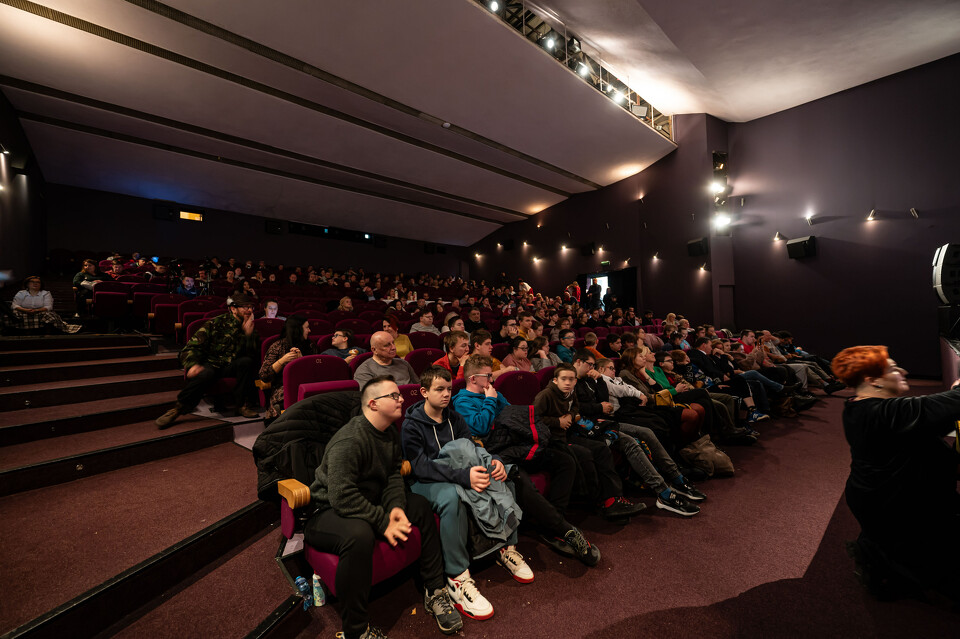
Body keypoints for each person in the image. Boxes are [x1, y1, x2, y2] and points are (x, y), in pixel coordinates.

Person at [305, 376, 463, 639]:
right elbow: (342, 496)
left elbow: (392, 475)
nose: (402, 398)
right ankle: (357, 630)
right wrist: (383, 520)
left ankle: (435, 591)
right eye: (393, 396)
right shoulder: (350, 441)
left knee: (420, 506)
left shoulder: (389, 431)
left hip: (369, 499)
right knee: (359, 534)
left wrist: (396, 508)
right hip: (327, 510)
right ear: (373, 404)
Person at [402, 367, 533, 621]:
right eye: (439, 389)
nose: (446, 394)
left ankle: (507, 548)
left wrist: (493, 460)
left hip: (457, 472)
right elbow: (421, 467)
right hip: (424, 482)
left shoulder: (454, 418)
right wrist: (465, 477)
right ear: (424, 392)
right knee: (453, 497)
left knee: (501, 478)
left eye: (449, 389)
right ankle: (457, 578)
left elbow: (471, 446)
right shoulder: (411, 425)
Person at [832, 346, 960, 605]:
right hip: (896, 505)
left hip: (883, 496)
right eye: (893, 368)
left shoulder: (862, 407)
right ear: (872, 380)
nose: (903, 371)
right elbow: (937, 407)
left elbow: (926, 419)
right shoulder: (881, 413)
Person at [451, 355, 601, 566]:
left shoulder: (494, 393)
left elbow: (515, 417)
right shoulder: (462, 401)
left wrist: (494, 399)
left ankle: (553, 524)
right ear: (473, 378)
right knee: (522, 481)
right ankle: (565, 530)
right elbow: (480, 428)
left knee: (564, 461)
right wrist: (491, 400)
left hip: (516, 447)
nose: (492, 379)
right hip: (495, 454)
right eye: (487, 376)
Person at [572, 351, 703, 516]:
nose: (592, 368)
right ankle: (663, 492)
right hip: (591, 426)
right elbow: (578, 407)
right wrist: (599, 407)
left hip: (604, 422)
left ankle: (676, 477)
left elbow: (603, 397)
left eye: (593, 365)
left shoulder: (588, 380)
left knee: (647, 431)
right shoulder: (570, 381)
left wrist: (599, 380)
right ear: (578, 362)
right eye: (589, 365)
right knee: (630, 442)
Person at [534, 364, 646, 522]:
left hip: (567, 435)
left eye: (571, 379)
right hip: (552, 440)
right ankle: (599, 502)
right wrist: (557, 421)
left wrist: (571, 417)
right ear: (555, 380)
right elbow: (534, 420)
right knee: (585, 455)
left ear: (575, 381)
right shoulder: (545, 396)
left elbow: (576, 408)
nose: (567, 382)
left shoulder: (571, 392)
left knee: (601, 449)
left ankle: (613, 500)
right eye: (563, 379)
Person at [156, 293, 261, 428]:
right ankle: (178, 409)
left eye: (250, 307)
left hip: (229, 365)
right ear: (233, 309)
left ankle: (241, 405)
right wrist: (192, 365)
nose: (249, 310)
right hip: (211, 363)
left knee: (246, 362)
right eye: (245, 307)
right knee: (207, 374)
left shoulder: (250, 327)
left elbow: (253, 355)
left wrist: (248, 336)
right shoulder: (217, 322)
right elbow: (190, 348)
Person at [259, 315, 318, 420]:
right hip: (283, 388)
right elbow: (264, 376)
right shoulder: (278, 346)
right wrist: (283, 360)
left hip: (307, 385)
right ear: (298, 329)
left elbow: (316, 373)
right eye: (307, 327)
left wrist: (301, 360)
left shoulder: (310, 346)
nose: (310, 330)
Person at [8, 276, 80, 333]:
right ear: (27, 284)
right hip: (23, 312)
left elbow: (48, 306)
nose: (35, 284)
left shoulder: (45, 293)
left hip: (40, 312)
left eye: (38, 282)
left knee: (49, 315)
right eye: (32, 282)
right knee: (11, 315)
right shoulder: (21, 293)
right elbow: (15, 305)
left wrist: (37, 310)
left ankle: (46, 332)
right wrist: (26, 310)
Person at [354, 331, 418, 386]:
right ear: (374, 350)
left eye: (393, 343)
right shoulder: (365, 370)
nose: (393, 347)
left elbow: (418, 385)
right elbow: (369, 396)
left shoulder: (404, 363)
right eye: (387, 345)